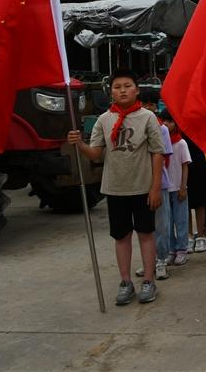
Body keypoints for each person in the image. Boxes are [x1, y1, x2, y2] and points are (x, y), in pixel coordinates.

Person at [67, 69, 164, 305]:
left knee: (146, 234)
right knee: (121, 236)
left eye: (127, 85)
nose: (122, 90)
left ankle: (149, 281)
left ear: (137, 89)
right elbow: (96, 153)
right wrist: (79, 144)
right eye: (117, 86)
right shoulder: (104, 119)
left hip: (142, 188)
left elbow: (157, 153)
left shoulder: (147, 117)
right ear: (110, 91)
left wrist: (155, 187)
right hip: (115, 189)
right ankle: (125, 282)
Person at [138, 92, 173, 280]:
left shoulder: (162, 129)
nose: (147, 108)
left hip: (159, 184)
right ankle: (148, 262)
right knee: (144, 227)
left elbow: (164, 157)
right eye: (144, 104)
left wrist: (157, 184)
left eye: (151, 105)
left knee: (161, 225)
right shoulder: (135, 126)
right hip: (139, 184)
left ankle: (161, 261)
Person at [160, 109, 191, 266]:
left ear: (175, 123)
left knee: (181, 219)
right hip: (165, 188)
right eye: (163, 120)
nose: (166, 124)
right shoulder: (159, 141)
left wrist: (183, 187)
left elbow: (185, 165)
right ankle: (171, 249)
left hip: (179, 187)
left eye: (170, 121)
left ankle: (182, 249)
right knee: (168, 220)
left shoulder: (181, 143)